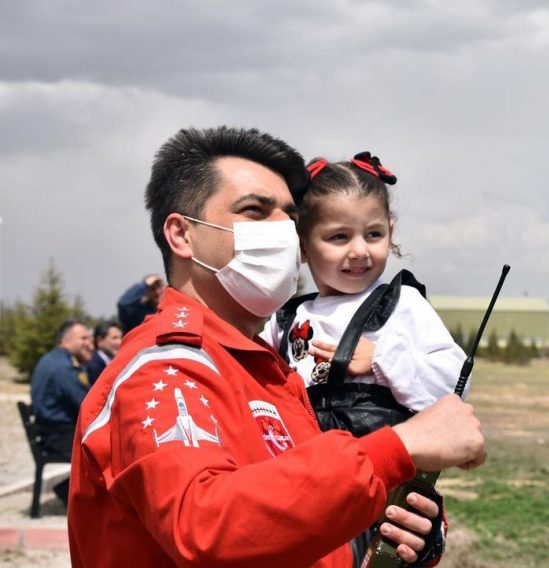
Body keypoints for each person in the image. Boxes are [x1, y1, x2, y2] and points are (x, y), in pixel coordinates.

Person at [68, 126, 485, 568]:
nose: (282, 232)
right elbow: (210, 528)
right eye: (254, 210)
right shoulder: (167, 371)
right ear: (182, 234)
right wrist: (394, 450)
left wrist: (402, 535)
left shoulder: (265, 367)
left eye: (289, 216)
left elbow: (296, 509)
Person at [260, 152, 467, 431]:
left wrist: (382, 361)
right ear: (303, 246)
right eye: (339, 237)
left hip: (378, 469)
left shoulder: (400, 304)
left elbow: (455, 385)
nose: (359, 251)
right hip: (305, 466)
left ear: (390, 233)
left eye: (373, 234)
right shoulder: (286, 319)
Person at [30, 319, 93, 505]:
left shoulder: (53, 359)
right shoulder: (64, 368)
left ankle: (66, 490)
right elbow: (87, 404)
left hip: (53, 433)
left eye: (90, 339)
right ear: (66, 341)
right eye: (84, 338)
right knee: (114, 445)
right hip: (60, 436)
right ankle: (73, 493)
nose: (89, 344)